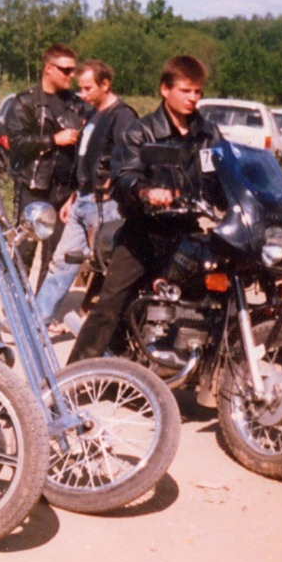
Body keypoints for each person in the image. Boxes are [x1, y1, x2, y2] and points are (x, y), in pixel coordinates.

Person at [67, 55, 222, 364]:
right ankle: (73, 378)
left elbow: (221, 173)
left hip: (186, 229)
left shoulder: (208, 134)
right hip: (144, 232)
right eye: (186, 90)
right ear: (165, 89)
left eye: (198, 92)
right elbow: (125, 176)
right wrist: (147, 191)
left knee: (215, 293)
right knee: (109, 304)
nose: (193, 98)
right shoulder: (141, 131)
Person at [33, 60, 137, 334]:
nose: (83, 94)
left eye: (89, 88)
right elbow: (86, 159)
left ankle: (101, 327)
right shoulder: (93, 115)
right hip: (82, 199)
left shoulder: (122, 116)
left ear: (106, 85)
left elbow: (128, 158)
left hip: (105, 204)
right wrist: (74, 196)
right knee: (62, 260)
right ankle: (37, 319)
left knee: (107, 269)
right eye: (81, 88)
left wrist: (110, 188)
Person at [2, 43, 88, 289]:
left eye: (73, 70)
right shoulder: (26, 102)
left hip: (64, 191)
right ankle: (18, 309)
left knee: (55, 255)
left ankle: (41, 313)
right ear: (48, 68)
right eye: (65, 70)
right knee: (25, 251)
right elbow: (16, 142)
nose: (71, 76)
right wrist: (53, 140)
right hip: (33, 187)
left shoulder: (77, 104)